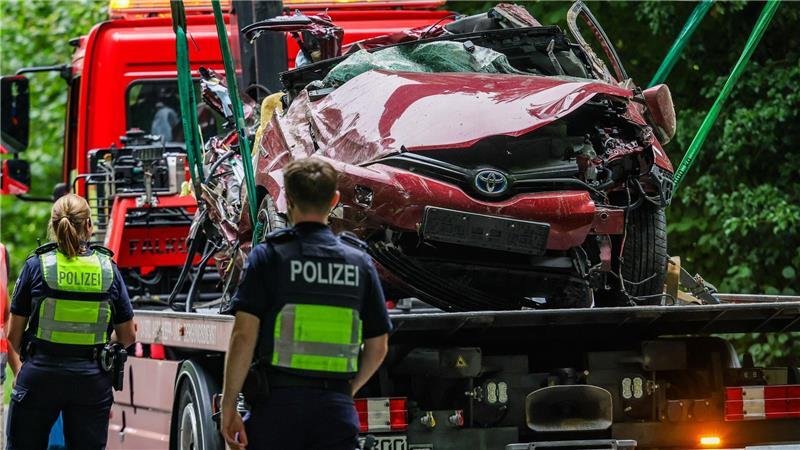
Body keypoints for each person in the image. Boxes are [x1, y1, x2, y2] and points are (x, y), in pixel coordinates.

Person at [221, 158, 391, 450]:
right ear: (334, 200)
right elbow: (378, 347)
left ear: (287, 198)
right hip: (335, 411)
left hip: (277, 409)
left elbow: (243, 336)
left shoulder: (269, 257)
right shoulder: (358, 263)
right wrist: (345, 391)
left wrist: (228, 406)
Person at [5, 194, 136, 450]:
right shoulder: (107, 268)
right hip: (91, 380)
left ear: (53, 226)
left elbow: (13, 335)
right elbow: (128, 336)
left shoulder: (36, 265)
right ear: (89, 225)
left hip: (40, 376)